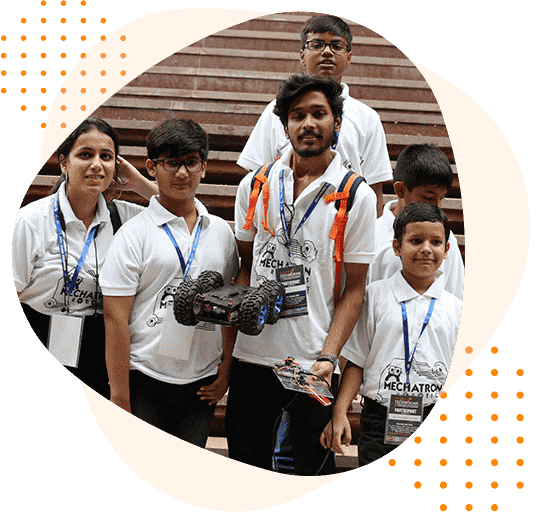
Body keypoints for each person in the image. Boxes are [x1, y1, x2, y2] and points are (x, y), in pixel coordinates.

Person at [226, 74, 377, 475]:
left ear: (337, 123)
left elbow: (355, 289)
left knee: (312, 471)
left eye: (318, 114)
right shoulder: (255, 184)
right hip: (251, 356)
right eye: (297, 115)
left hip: (311, 364)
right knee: (245, 471)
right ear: (284, 124)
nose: (308, 123)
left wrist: (329, 356)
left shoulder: (355, 194)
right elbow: (244, 266)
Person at [100, 119, 238, 447]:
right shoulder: (133, 235)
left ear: (204, 167)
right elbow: (115, 318)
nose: (181, 173)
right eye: (171, 163)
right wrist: (120, 397)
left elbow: (229, 304)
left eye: (191, 162)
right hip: (145, 381)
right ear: (151, 167)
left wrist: (226, 367)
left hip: (200, 384)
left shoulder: (220, 232)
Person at [12, 118, 157, 398]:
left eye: (107, 157)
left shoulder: (125, 218)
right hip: (41, 335)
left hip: (100, 348)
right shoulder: (31, 220)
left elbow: (179, 212)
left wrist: (138, 182)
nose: (97, 165)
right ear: (64, 162)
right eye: (85, 155)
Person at [320, 202, 462, 466]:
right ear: (397, 247)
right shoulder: (374, 296)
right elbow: (356, 361)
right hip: (379, 418)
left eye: (436, 242)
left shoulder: (456, 308)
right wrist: (339, 411)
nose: (426, 249)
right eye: (416, 240)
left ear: (447, 249)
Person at [237, 14, 392, 217]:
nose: (327, 52)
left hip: (344, 224)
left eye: (336, 46)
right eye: (317, 44)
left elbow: (373, 188)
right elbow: (256, 179)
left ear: (349, 58)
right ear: (302, 56)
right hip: (285, 220)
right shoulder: (276, 111)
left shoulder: (367, 118)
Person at [368, 143, 464, 299]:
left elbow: (454, 297)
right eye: (428, 198)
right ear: (400, 190)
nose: (436, 206)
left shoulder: (446, 239)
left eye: (441, 199)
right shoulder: (372, 236)